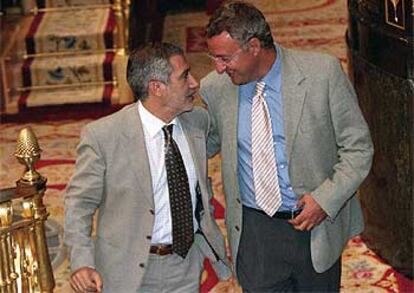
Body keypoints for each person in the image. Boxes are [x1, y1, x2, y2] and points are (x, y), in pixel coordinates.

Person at [200, 1, 374, 292]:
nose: (218, 68)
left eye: (224, 58)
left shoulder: (322, 74)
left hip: (313, 227)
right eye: (214, 58)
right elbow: (206, 142)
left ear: (254, 46)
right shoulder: (216, 88)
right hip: (255, 232)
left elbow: (358, 148)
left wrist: (325, 200)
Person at [64, 42, 231, 293]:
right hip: (126, 269)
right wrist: (81, 262)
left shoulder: (197, 122)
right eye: (184, 76)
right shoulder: (104, 136)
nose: (195, 83)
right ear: (157, 88)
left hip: (184, 263)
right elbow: (79, 205)